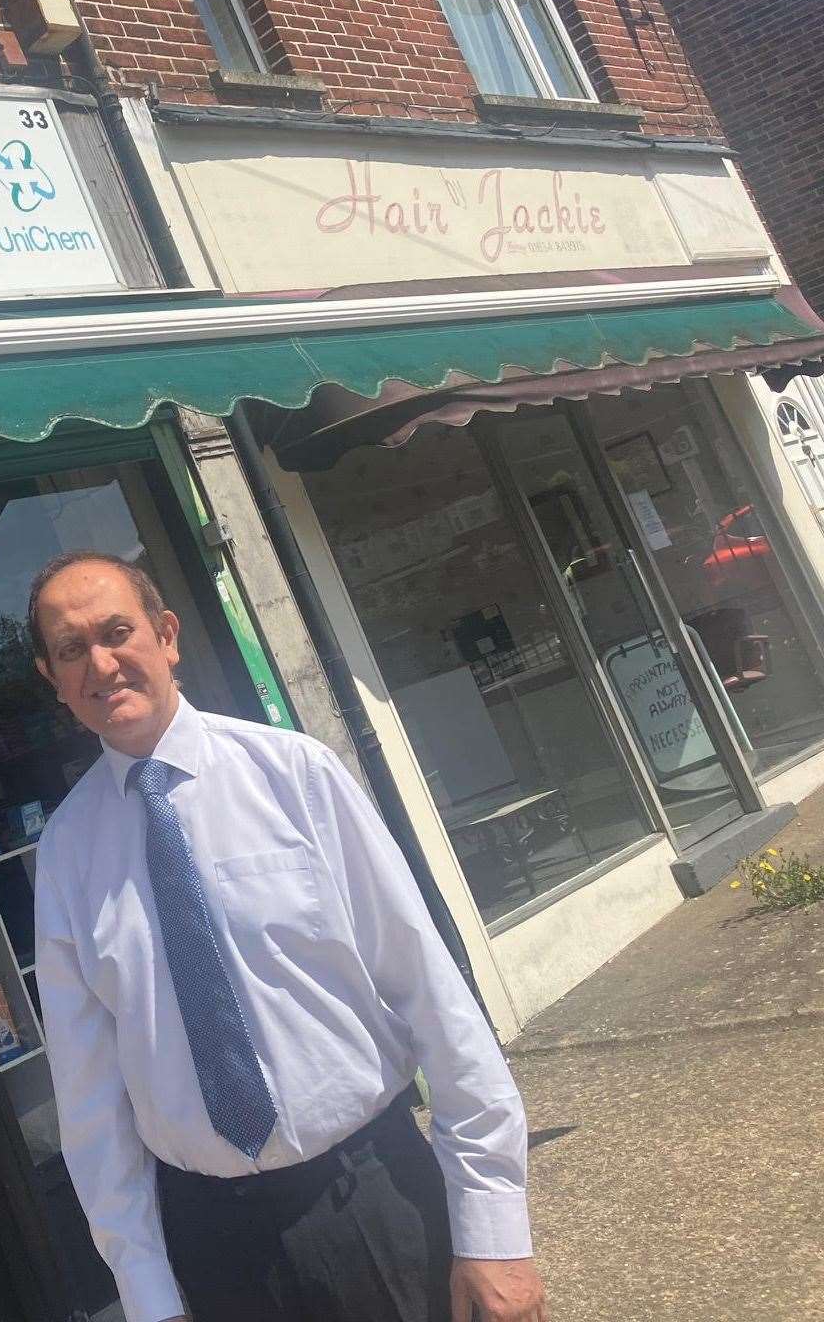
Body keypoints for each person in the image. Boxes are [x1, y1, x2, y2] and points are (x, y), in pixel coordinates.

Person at [29, 552, 546, 1322]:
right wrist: (148, 1297)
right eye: (72, 650)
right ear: (54, 678)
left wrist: (495, 1227)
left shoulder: (294, 774)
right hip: (217, 1247)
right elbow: (92, 1100)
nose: (101, 664)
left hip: (375, 1200)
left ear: (167, 636)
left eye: (117, 632)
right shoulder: (66, 854)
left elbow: (431, 993)